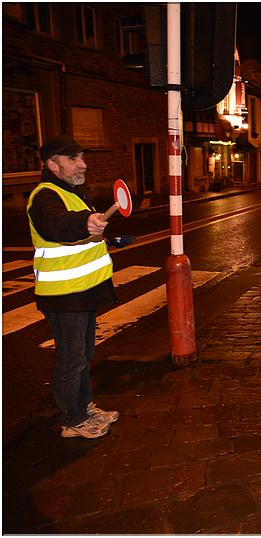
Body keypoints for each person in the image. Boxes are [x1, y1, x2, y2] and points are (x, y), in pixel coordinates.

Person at [27, 135, 120, 439]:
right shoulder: (45, 196)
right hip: (64, 295)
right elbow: (56, 225)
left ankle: (83, 406)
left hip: (82, 291)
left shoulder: (73, 192)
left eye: (82, 157)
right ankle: (72, 419)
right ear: (53, 164)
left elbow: (79, 236)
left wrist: (103, 237)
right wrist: (85, 223)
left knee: (83, 354)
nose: (83, 164)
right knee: (71, 359)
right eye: (74, 159)